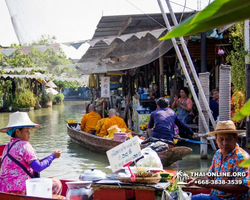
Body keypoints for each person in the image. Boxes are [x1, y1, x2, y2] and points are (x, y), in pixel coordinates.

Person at [0, 112, 62, 195]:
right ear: (18, 132)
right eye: (26, 130)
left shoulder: (7, 147)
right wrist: (53, 156)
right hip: (21, 189)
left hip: (4, 190)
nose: (29, 133)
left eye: (29, 130)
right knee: (56, 183)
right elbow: (38, 167)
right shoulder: (24, 145)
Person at [188, 120, 250, 200]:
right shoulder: (218, 153)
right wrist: (197, 181)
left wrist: (211, 184)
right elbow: (210, 177)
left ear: (236, 138)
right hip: (215, 196)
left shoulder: (241, 157)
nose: (225, 143)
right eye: (221, 139)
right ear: (216, 139)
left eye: (229, 139)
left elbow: (243, 188)